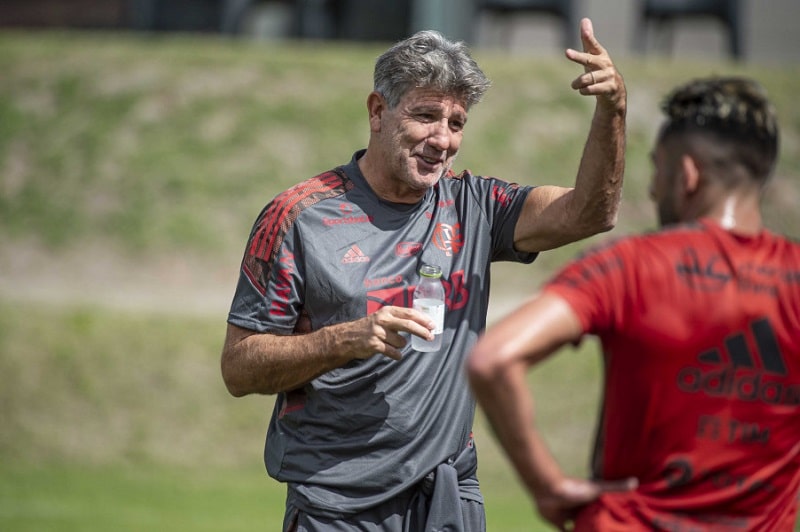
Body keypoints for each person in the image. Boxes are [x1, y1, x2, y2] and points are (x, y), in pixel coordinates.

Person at [221, 17, 626, 531]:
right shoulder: (299, 217)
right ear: (377, 111)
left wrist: (613, 110)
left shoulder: (475, 206)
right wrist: (345, 339)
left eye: (456, 123)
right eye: (426, 115)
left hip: (448, 497)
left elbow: (589, 212)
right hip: (338, 506)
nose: (443, 139)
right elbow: (238, 368)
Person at [467, 75, 800, 531]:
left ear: (687, 174)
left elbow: (492, 359)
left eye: (657, 170)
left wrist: (547, 485)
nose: (652, 190)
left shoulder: (629, 266)